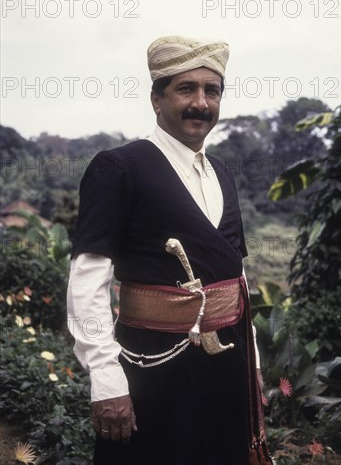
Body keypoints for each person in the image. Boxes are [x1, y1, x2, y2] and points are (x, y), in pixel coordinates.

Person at [67, 36, 269, 465]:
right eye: (186, 89)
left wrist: (252, 364)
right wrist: (106, 380)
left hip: (227, 369)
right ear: (157, 98)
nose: (200, 103)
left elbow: (237, 279)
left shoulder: (223, 176)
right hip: (150, 370)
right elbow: (88, 280)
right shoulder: (118, 167)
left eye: (211, 91)